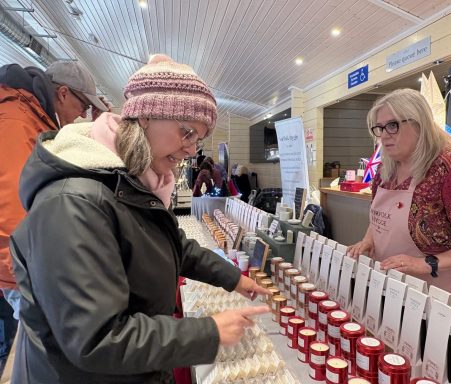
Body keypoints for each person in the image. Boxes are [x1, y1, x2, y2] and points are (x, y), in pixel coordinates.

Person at [9, 54, 269, 383]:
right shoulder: (72, 203)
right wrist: (209, 333)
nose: (191, 150)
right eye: (187, 132)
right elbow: (97, 338)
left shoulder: (130, 181)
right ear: (145, 116)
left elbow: (172, 245)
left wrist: (234, 278)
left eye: (198, 140)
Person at [346, 88, 451, 305]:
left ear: (419, 123)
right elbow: (381, 216)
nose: (384, 135)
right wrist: (368, 240)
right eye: (379, 128)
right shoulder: (387, 168)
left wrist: (426, 263)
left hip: (441, 297)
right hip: (392, 286)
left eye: (392, 126)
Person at [0, 61, 106, 321]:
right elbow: (10, 214)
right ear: (63, 94)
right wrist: (35, 280)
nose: (82, 115)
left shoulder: (38, 119)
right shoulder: (17, 122)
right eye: (84, 106)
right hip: (22, 274)